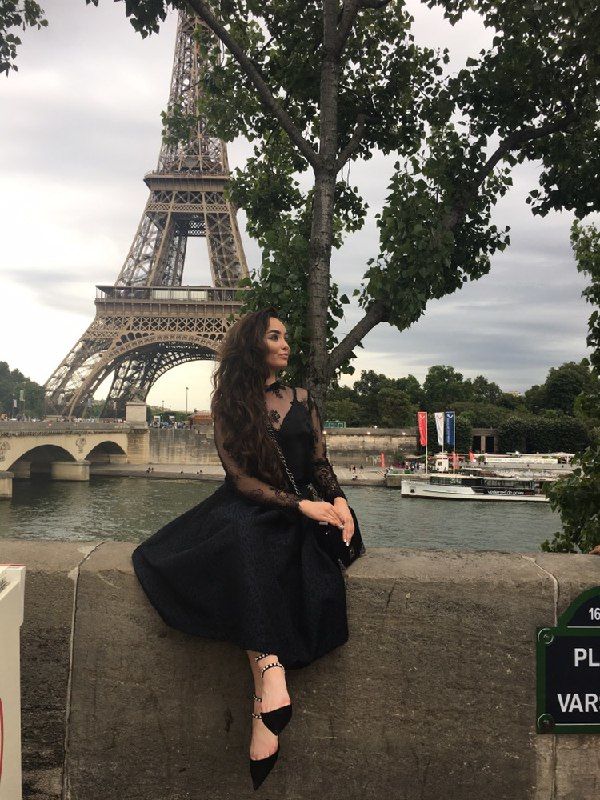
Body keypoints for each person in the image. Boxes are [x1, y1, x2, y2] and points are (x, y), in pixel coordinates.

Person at [131, 308, 365, 790]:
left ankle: (266, 700)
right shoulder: (229, 404)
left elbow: (320, 464)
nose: (286, 344)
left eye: (286, 337)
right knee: (242, 538)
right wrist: (300, 505)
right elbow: (239, 479)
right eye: (275, 336)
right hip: (254, 505)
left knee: (247, 546)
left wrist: (338, 502)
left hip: (305, 512)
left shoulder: (301, 398)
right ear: (252, 343)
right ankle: (270, 680)